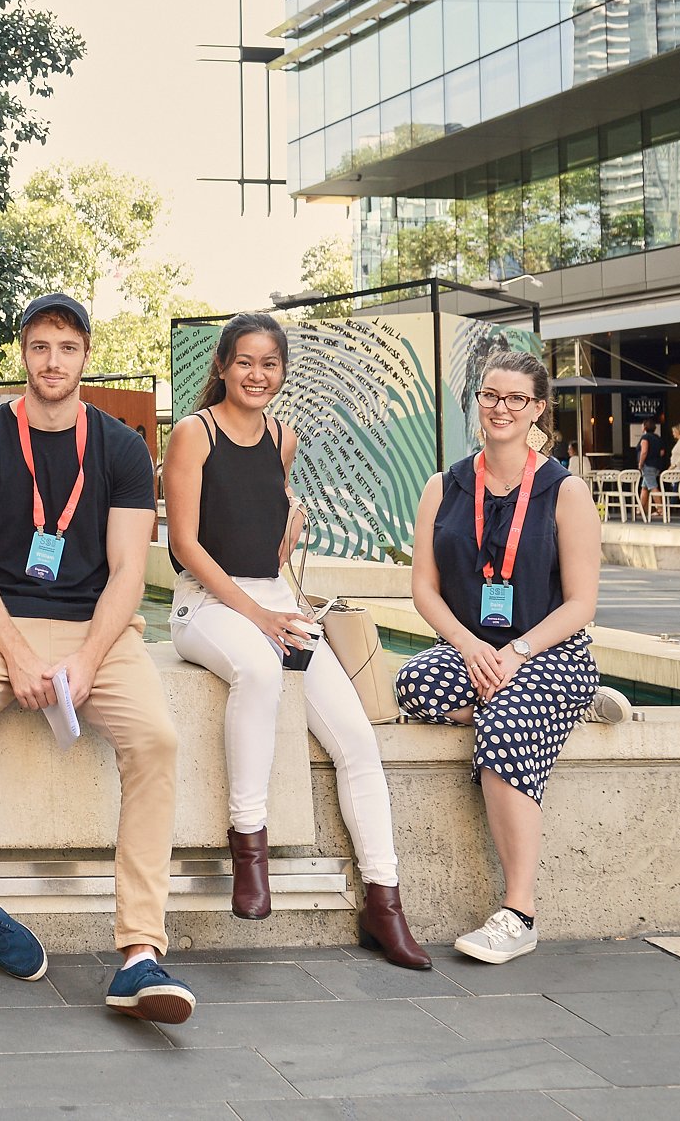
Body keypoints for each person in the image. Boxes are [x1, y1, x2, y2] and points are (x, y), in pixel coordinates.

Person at [0, 293, 197, 1023]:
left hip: (95, 628)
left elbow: (130, 572)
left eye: (66, 348)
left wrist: (87, 657)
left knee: (158, 741)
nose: (52, 361)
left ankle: (140, 952)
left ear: (86, 354)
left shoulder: (122, 447)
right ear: (23, 352)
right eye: (40, 346)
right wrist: (13, 651)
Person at [163, 313, 429, 969]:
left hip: (276, 599)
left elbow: (270, 537)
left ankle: (384, 901)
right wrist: (260, 614)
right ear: (223, 364)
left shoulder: (284, 436)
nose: (257, 374)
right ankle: (248, 844)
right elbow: (186, 545)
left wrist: (290, 528)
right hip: (207, 606)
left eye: (270, 363)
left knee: (358, 741)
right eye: (245, 361)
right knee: (257, 666)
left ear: (282, 372)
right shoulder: (193, 434)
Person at [394, 348, 611, 964]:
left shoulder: (564, 492)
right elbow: (423, 590)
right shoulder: (444, 485)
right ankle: (562, 710)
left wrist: (516, 651)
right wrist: (468, 644)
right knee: (415, 683)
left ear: (538, 409)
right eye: (491, 395)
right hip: (472, 651)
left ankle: (519, 910)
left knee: (508, 719)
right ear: (477, 402)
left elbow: (581, 604)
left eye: (517, 398)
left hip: (548, 650)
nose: (501, 409)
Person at [637, 416, 665, 519]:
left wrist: (641, 463)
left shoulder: (645, 438)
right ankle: (641, 508)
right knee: (644, 487)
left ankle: (660, 509)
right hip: (656, 465)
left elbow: (644, 451)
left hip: (647, 465)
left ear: (644, 427)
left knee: (653, 487)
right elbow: (662, 452)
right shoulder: (657, 437)